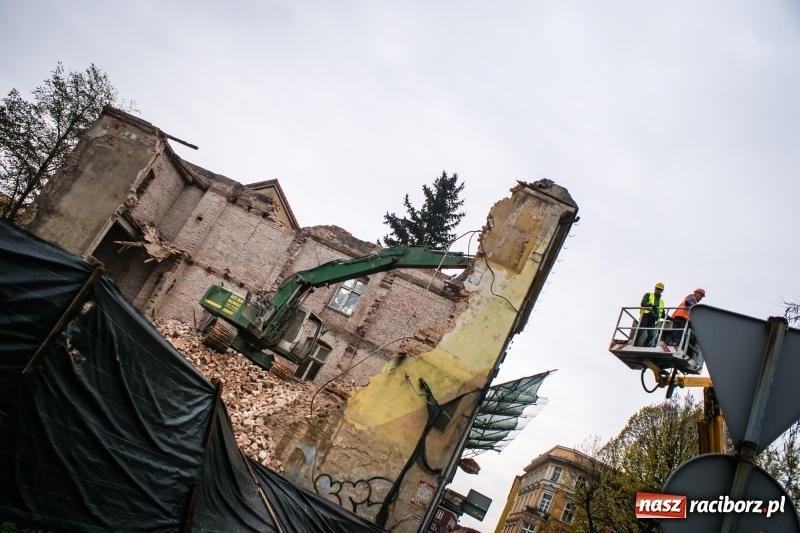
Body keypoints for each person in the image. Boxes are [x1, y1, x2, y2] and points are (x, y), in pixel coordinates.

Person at [635, 282, 667, 347]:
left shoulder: (662, 302)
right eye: (657, 288)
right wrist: (651, 305)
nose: (658, 290)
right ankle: (635, 344)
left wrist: (671, 318)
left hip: (653, 319)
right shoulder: (648, 295)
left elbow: (662, 314)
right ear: (655, 288)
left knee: (651, 335)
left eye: (660, 289)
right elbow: (643, 303)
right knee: (640, 331)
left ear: (662, 291)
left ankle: (644, 346)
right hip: (646, 315)